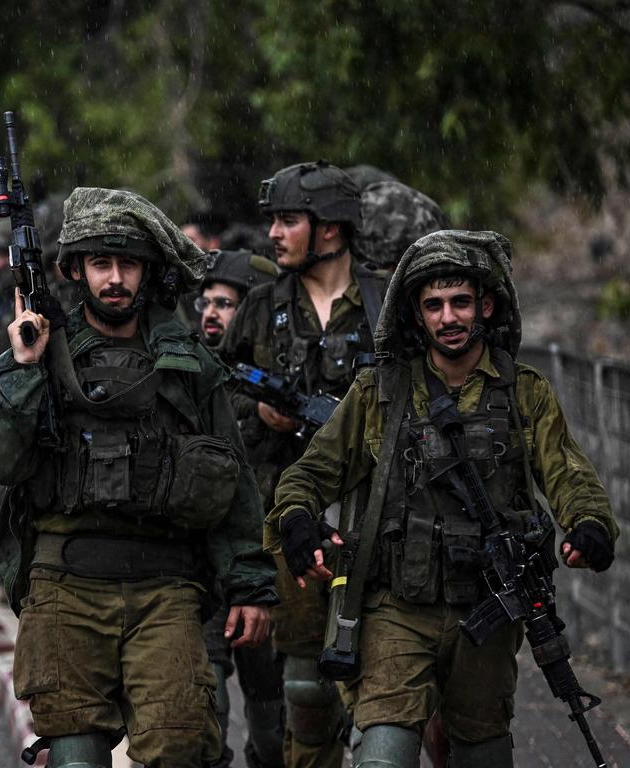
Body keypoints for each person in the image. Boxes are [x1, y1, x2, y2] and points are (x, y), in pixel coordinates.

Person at [271, 229, 618, 768]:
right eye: (433, 305)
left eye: (460, 302)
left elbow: (569, 474)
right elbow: (311, 474)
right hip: (395, 608)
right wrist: (297, 520)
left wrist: (589, 524)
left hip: (487, 609)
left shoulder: (524, 392)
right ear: (416, 313)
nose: (448, 317)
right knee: (382, 753)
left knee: (484, 752)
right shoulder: (379, 392)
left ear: (486, 304)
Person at [0, 187, 277, 768]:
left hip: (166, 589)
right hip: (65, 587)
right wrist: (24, 371)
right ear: (77, 270)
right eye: (101, 264)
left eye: (128, 264)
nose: (115, 278)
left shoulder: (186, 361)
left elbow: (233, 480)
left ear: (148, 271)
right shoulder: (38, 351)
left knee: (181, 745)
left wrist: (250, 586)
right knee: (76, 753)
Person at [220, 160, 385, 768]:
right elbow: (220, 393)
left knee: (382, 698)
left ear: (331, 231)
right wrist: (260, 416)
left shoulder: (385, 306)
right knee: (303, 690)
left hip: (372, 524)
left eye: (289, 221)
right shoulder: (262, 308)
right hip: (288, 525)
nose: (273, 234)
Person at [196, 249, 285, 768]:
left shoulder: (283, 378)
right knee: (205, 711)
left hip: (268, 567)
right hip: (204, 568)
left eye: (225, 304)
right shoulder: (185, 369)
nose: (211, 313)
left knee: (275, 725)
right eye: (205, 302)